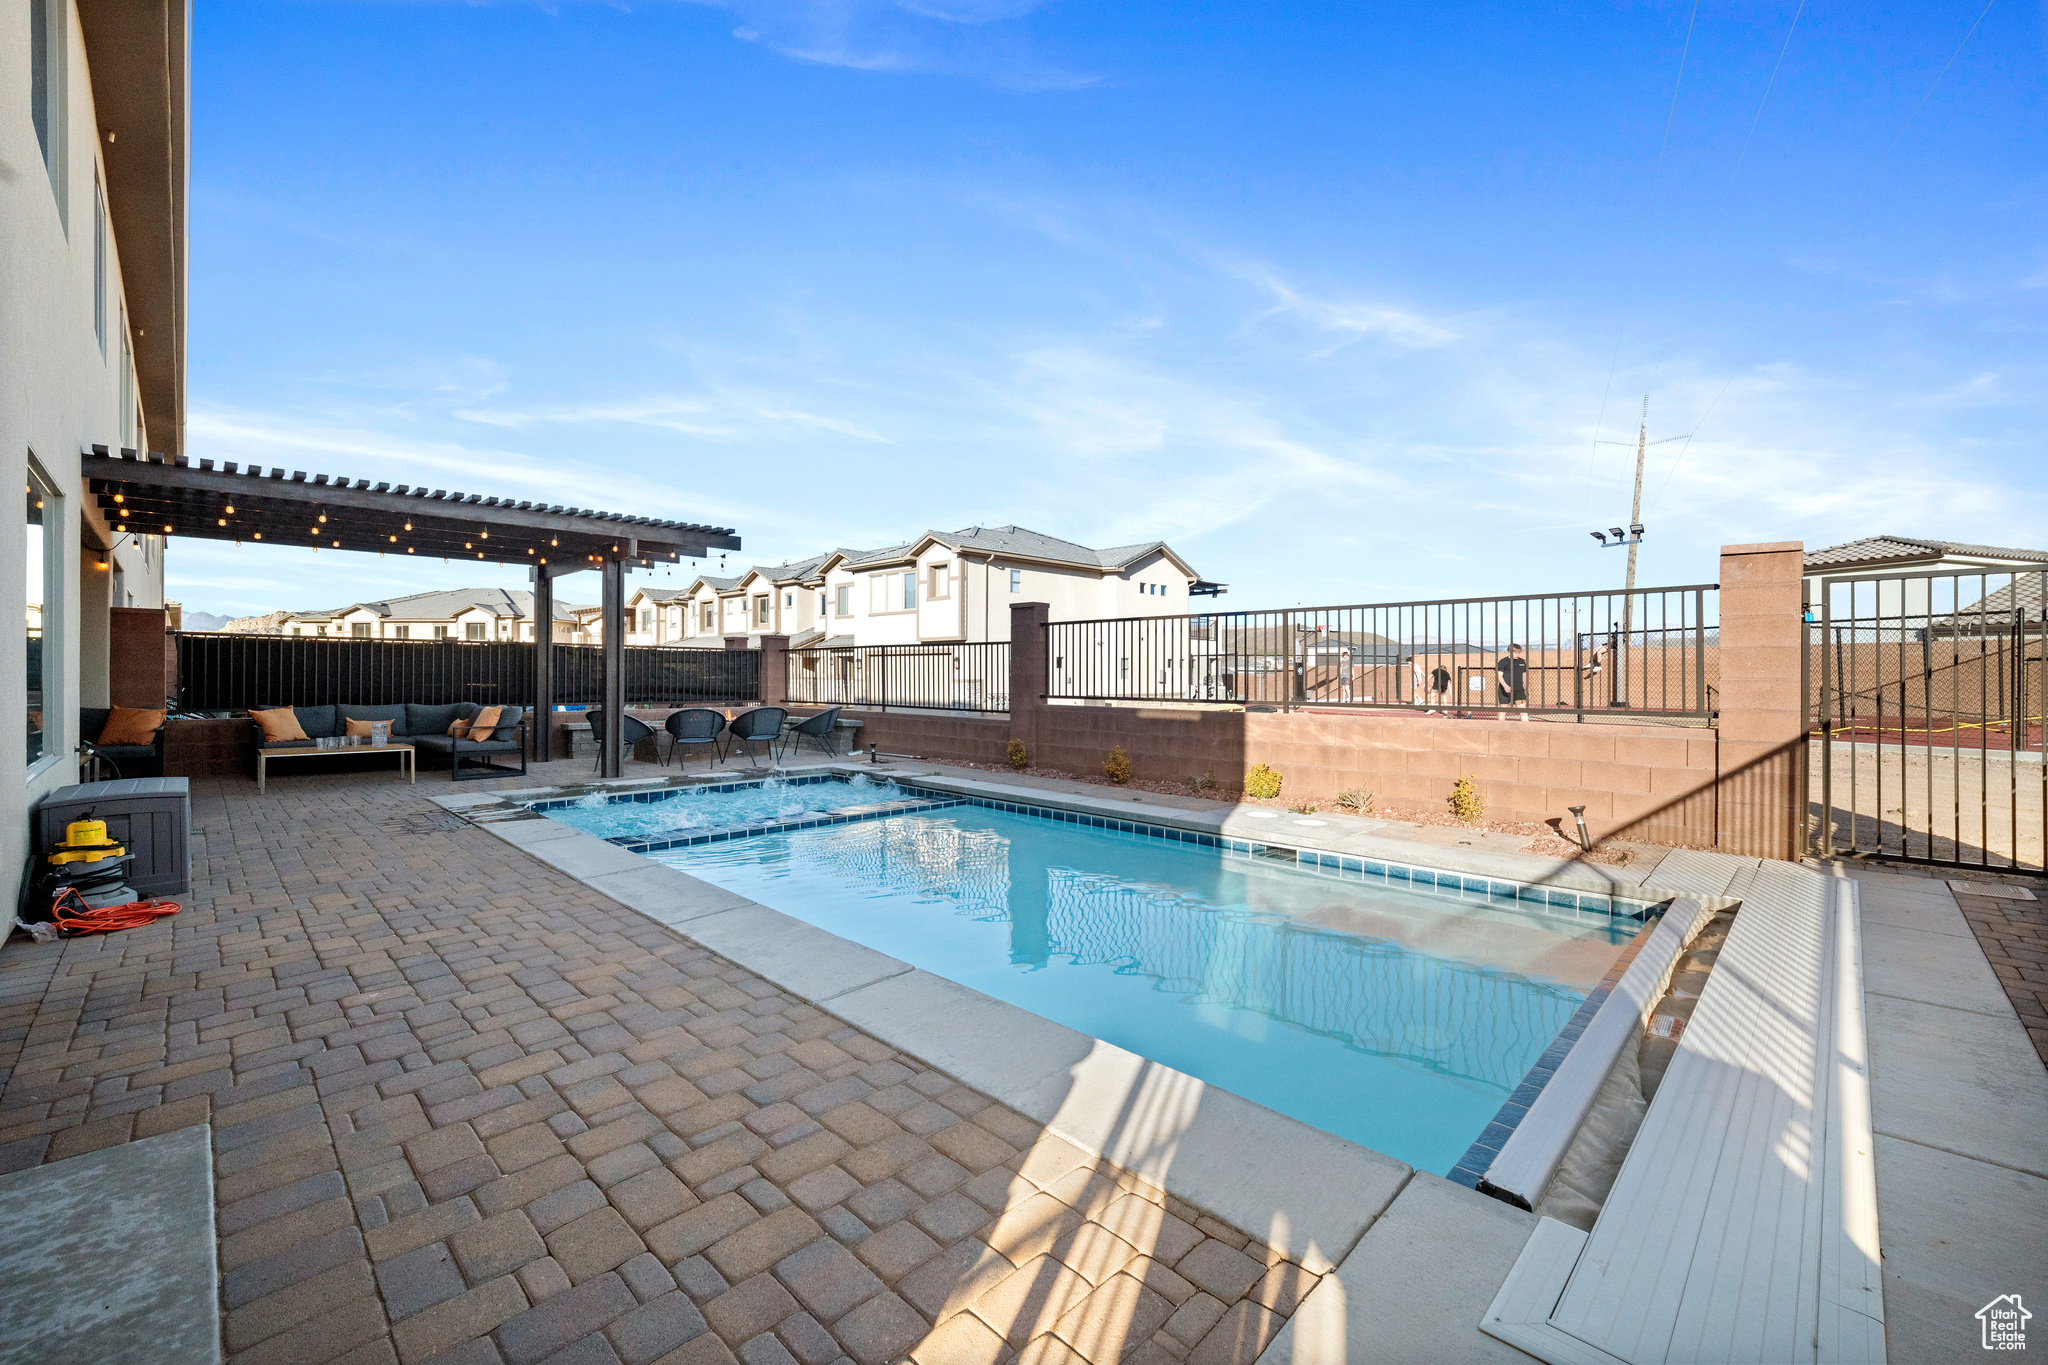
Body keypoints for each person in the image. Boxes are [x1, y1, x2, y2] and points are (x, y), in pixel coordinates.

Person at [1496, 643, 1530, 721]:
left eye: (1518, 653)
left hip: (1519, 690)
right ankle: (1500, 729)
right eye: (1515, 653)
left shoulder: (1521, 661)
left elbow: (1524, 676)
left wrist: (1527, 687)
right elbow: (1499, 676)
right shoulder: (1503, 662)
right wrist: (1505, 686)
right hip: (1505, 690)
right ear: (1509, 652)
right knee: (1503, 711)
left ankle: (1526, 729)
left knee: (1523, 712)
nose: (1517, 655)